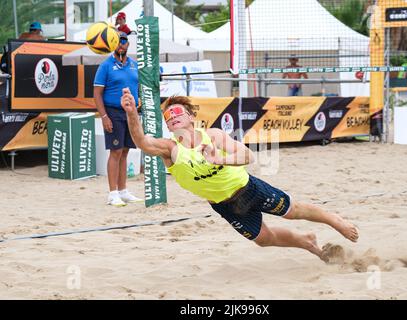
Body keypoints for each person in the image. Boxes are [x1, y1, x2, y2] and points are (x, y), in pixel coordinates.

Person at [120, 92, 359, 260]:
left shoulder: (212, 136)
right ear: (169, 127)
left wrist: (219, 159)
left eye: (178, 113)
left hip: (248, 188)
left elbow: (247, 156)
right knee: (264, 239)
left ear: (192, 117)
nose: (173, 118)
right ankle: (310, 244)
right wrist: (131, 113)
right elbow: (142, 141)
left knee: (292, 211)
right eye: (169, 118)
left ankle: (334, 220)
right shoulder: (170, 149)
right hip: (225, 205)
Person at [93, 32, 142, 206]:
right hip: (113, 112)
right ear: (113, 44)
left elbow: (138, 87)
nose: (122, 44)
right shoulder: (106, 65)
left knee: (126, 151)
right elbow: (97, 94)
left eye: (124, 41)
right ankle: (112, 193)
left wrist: (139, 101)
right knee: (115, 151)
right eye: (119, 42)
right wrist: (104, 116)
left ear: (128, 44)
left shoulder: (134, 65)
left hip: (131, 113)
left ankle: (123, 190)